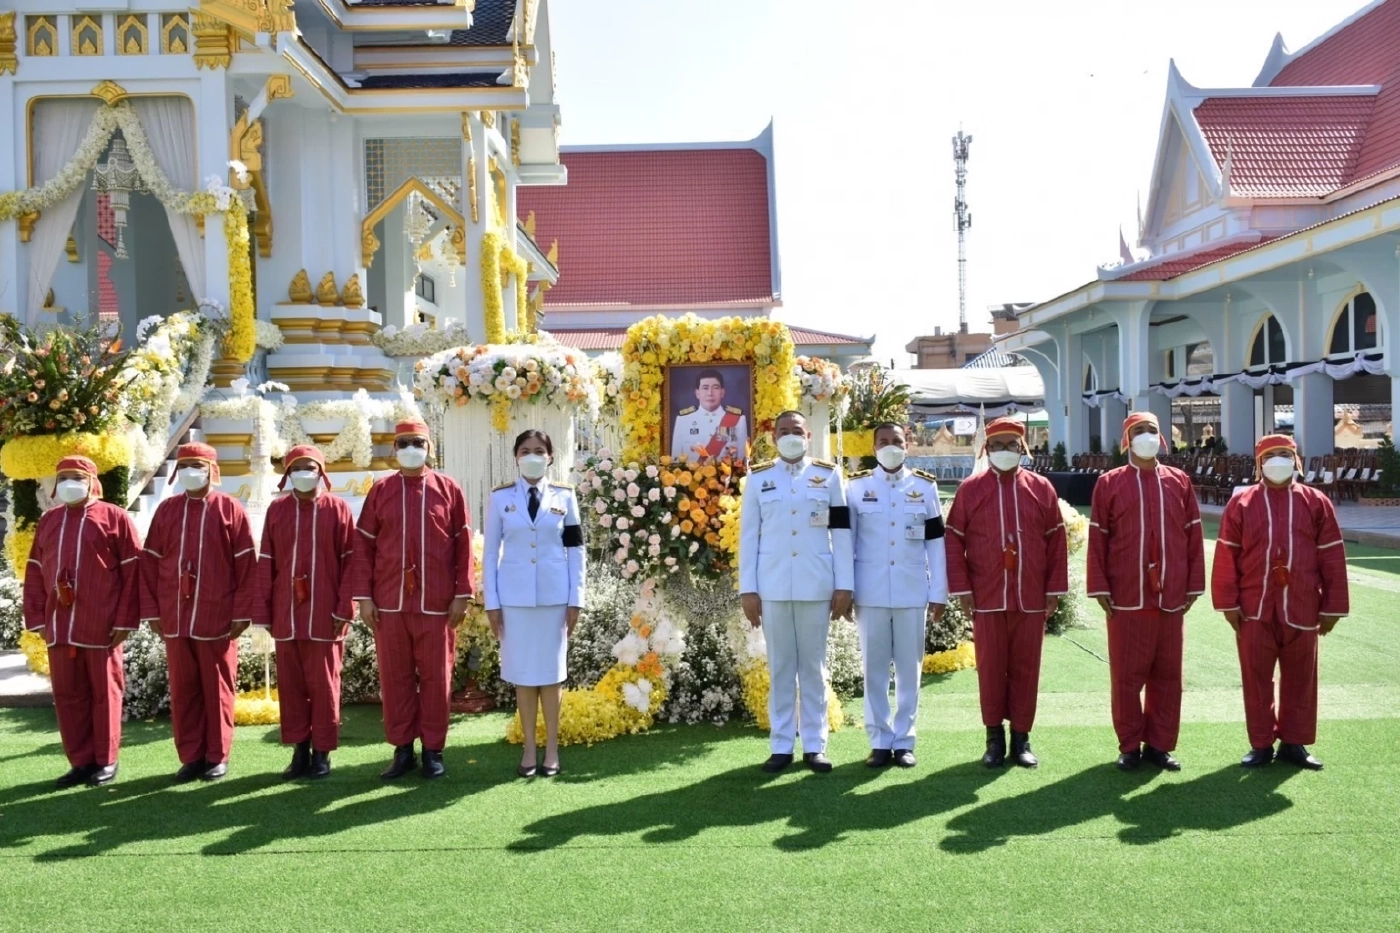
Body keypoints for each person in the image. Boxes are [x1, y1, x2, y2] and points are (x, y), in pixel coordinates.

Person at [1212, 435, 1348, 770]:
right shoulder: (1242, 503)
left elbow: (1331, 555)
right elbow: (1227, 553)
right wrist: (1228, 602)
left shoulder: (1316, 502)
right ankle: (1260, 744)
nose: (1278, 460)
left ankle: (1294, 743)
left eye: (1284, 454)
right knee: (1256, 677)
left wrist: (1332, 607)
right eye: (1270, 455)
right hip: (1254, 607)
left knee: (1301, 677)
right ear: (1259, 463)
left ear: (1296, 460)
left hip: (1302, 605)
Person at [347, 420, 474, 781]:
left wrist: (462, 594)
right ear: (394, 449)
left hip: (437, 604)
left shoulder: (448, 489)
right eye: (403, 443)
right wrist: (364, 598)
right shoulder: (381, 490)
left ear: (429, 447)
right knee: (395, 679)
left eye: (417, 442)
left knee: (436, 678)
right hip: (389, 604)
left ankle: (433, 751)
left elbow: (463, 545)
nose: (410, 449)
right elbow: (363, 546)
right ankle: (402, 750)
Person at [946, 417, 1067, 769]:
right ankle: (993, 738)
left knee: (1027, 668)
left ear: (1022, 448)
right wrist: (963, 588)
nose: (1004, 451)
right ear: (987, 449)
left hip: (1030, 595)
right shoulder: (971, 489)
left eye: (1011, 445)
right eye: (997, 445)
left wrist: (1054, 588)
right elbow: (953, 539)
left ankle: (1022, 738)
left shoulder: (1041, 488)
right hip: (987, 596)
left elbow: (1056, 539)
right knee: (990, 668)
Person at [1087, 411, 1205, 772]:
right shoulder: (1109, 483)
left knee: (1168, 676)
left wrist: (1194, 584)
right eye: (1138, 430)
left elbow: (1193, 534)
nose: (1146, 436)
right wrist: (1099, 585)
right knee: (1126, 676)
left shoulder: (1179, 481)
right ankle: (1129, 745)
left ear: (1162, 437)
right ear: (1127, 440)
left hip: (1171, 594)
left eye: (1152, 430)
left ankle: (1160, 745)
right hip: (1126, 595)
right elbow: (1098, 538)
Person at [738, 410, 853, 773]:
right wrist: (748, 589)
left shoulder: (829, 476)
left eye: (797, 431)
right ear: (773, 438)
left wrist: (845, 584)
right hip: (772, 586)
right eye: (784, 431)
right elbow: (748, 537)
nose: (791, 436)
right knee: (781, 668)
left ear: (808, 436)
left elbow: (842, 534)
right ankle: (782, 744)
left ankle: (815, 745)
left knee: (814, 669)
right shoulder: (758, 478)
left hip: (816, 584)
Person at [22, 456, 142, 788]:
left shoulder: (115, 517)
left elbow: (133, 571)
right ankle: (80, 762)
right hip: (60, 625)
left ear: (92, 482)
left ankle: (106, 760)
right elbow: (35, 570)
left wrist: (125, 620)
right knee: (67, 694)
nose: (68, 484)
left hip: (102, 623)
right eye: (62, 478)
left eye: (76, 477)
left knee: (105, 693)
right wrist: (37, 618)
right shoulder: (49, 520)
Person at [140, 442, 256, 782]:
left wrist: (241, 612)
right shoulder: (167, 510)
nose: (191, 472)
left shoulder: (229, 509)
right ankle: (191, 756)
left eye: (198, 466)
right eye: (185, 466)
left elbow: (246, 564)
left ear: (211, 471)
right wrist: (152, 610)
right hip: (175, 615)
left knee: (217, 688)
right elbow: (150, 562)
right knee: (183, 689)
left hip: (216, 616)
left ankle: (217, 755)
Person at [483, 430, 586, 778]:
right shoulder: (500, 498)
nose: (532, 456)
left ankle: (552, 749)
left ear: (550, 457)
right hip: (514, 602)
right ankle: (529, 749)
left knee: (552, 677)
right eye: (525, 450)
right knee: (524, 677)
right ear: (516, 457)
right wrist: (492, 603)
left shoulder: (565, 496)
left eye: (539, 451)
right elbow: (490, 553)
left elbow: (576, 550)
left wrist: (576, 599)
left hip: (554, 600)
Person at [253, 445, 357, 780]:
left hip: (326, 614)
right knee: (292, 687)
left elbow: (351, 562)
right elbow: (266, 561)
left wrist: (345, 607)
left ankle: (322, 753)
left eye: (309, 467)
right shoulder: (277, 509)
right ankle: (299, 752)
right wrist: (264, 612)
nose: (303, 474)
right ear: (287, 474)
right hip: (286, 613)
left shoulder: (338, 509)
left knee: (324, 687)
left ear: (321, 472)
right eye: (297, 468)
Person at [847, 422, 947, 768]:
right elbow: (846, 544)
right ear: (873, 447)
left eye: (897, 441)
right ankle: (879, 740)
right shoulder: (856, 487)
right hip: (870, 592)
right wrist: (846, 588)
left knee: (909, 671)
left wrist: (939, 592)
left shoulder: (924, 487)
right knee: (874, 670)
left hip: (911, 591)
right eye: (884, 441)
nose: (890, 446)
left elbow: (936, 543)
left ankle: (904, 740)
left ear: (908, 445)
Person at [671, 368, 748, 462]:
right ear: (697, 393)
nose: (710, 393)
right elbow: (675, 462)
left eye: (715, 388)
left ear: (722, 392)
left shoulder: (738, 420)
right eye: (705, 388)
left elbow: (742, 461)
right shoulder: (683, 420)